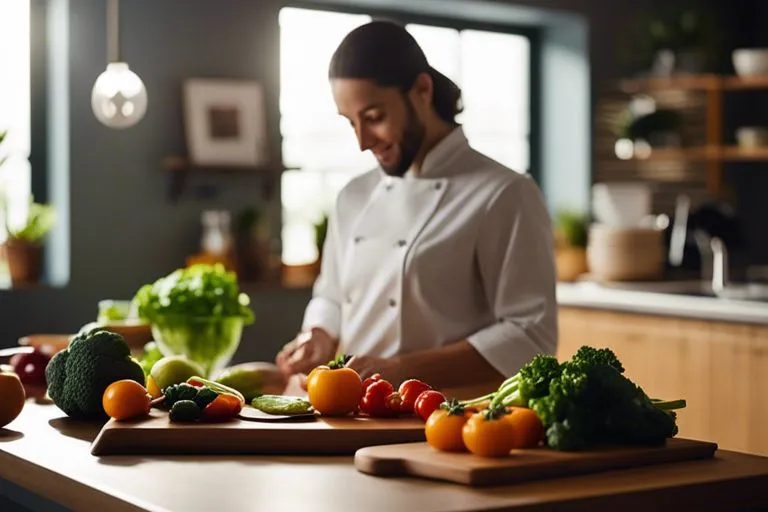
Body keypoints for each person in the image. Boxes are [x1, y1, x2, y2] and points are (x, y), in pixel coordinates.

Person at [276, 20, 557, 395]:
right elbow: (331, 295)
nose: (362, 142)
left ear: (422, 90)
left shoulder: (504, 193)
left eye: (374, 118)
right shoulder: (354, 196)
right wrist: (320, 335)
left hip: (454, 422)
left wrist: (400, 370)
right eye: (351, 123)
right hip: (356, 414)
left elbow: (530, 334)